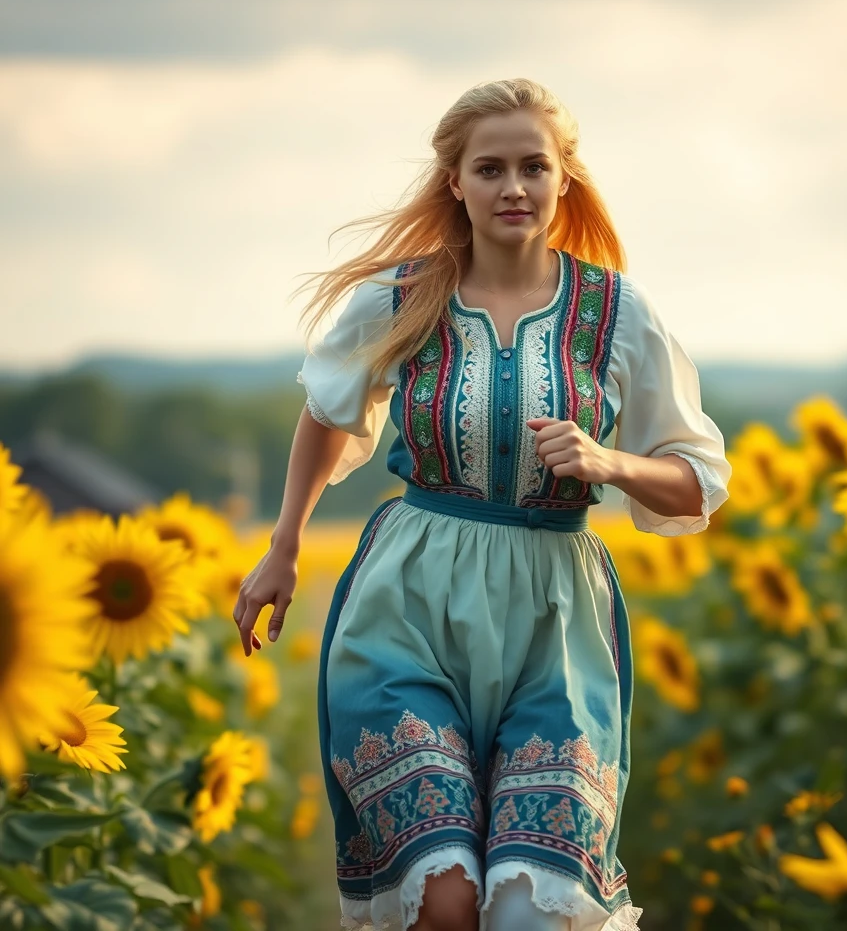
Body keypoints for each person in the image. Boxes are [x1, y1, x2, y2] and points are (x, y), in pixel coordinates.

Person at [233, 78, 732, 931]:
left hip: (556, 623)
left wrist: (608, 460)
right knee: (447, 898)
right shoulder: (402, 297)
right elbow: (326, 412)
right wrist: (283, 546)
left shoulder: (619, 313)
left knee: (525, 913)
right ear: (454, 182)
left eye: (533, 167)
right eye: (490, 168)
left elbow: (698, 480)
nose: (513, 187)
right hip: (407, 607)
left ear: (563, 179)